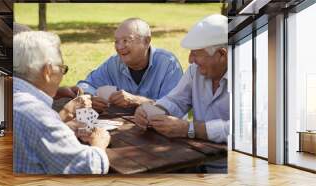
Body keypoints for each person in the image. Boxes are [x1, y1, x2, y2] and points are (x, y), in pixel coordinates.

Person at [13, 31, 110, 174]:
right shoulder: (39, 115)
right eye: (63, 69)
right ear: (47, 71)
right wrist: (99, 143)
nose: (62, 76)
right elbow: (87, 168)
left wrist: (63, 126)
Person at [135, 14, 229, 144]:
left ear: (222, 54)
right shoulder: (195, 70)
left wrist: (189, 129)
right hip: (199, 156)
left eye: (196, 53)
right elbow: (176, 100)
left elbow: (248, 129)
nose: (190, 60)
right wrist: (152, 110)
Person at [75, 18, 183, 112]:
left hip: (162, 132)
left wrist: (137, 101)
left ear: (146, 41)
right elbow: (86, 85)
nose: (120, 47)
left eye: (126, 40)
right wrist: (91, 97)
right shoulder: (114, 63)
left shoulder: (168, 64)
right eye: (116, 41)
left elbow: (175, 108)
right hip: (125, 130)